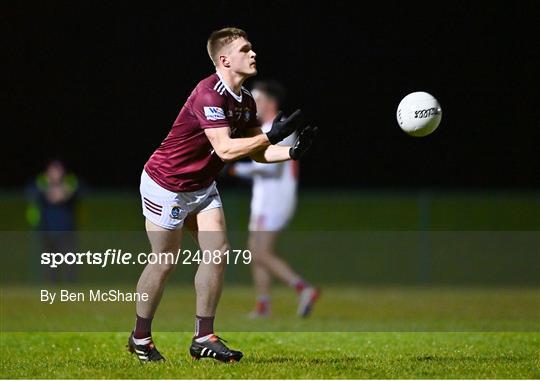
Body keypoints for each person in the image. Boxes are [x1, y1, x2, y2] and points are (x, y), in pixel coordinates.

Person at [128, 27, 318, 363]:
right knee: (165, 260)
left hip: (201, 187)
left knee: (217, 252)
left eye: (252, 48)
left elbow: (259, 152)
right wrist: (270, 136)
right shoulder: (208, 93)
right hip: (167, 184)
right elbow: (227, 149)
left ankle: (204, 337)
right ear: (224, 59)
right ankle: (140, 337)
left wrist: (291, 152)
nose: (253, 53)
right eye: (246, 49)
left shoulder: (244, 102)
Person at [230, 81, 319, 318]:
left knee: (261, 253)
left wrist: (235, 170)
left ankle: (304, 289)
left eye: (257, 100)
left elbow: (270, 168)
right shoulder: (266, 129)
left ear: (271, 103)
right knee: (254, 251)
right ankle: (263, 304)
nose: (254, 105)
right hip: (263, 200)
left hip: (275, 200)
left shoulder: (281, 129)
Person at [26, 160, 80, 283]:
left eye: (58, 171)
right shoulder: (40, 185)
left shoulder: (70, 183)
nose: (55, 174)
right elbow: (32, 193)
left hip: (66, 231)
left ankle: (70, 290)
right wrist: (51, 192)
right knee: (50, 264)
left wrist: (63, 193)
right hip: (47, 230)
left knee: (69, 263)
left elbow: (76, 191)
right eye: (52, 171)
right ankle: (51, 289)